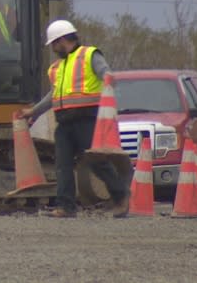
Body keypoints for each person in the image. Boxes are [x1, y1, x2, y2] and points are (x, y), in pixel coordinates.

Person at [18, 19, 130, 218]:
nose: (53, 48)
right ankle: (66, 206)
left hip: (87, 119)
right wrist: (33, 111)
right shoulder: (57, 68)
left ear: (62, 40)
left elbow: (107, 74)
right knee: (63, 165)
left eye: (54, 43)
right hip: (65, 123)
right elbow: (53, 96)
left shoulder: (89, 55)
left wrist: (109, 80)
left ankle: (122, 197)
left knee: (97, 162)